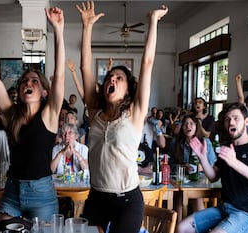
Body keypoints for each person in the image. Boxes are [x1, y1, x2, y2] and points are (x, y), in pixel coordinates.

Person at [76, 1, 168, 232]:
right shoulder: (94, 113)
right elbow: (85, 68)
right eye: (109, 77)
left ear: (128, 89)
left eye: (119, 78)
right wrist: (87, 27)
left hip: (127, 200)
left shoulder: (135, 114)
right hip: (97, 196)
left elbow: (147, 63)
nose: (112, 80)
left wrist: (153, 21)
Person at [0, 5, 65, 222]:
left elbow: (60, 75)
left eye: (35, 81)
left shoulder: (50, 114)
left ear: (44, 92)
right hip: (12, 191)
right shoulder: (12, 115)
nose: (28, 83)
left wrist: (57, 30)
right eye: (25, 81)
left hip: (42, 194)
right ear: (19, 90)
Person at [177, 102, 248, 233]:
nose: (231, 122)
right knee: (182, 228)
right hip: (225, 209)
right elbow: (213, 177)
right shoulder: (227, 149)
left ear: (246, 121)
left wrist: (235, 163)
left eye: (236, 118)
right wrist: (202, 157)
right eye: (228, 119)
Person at [168, 115, 216, 212]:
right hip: (181, 180)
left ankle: (200, 224)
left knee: (196, 196)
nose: (188, 126)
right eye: (185, 124)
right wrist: (182, 167)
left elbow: (213, 164)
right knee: (179, 197)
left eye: (191, 124)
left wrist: (202, 167)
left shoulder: (205, 142)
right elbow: (169, 165)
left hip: (201, 179)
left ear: (196, 126)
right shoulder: (175, 143)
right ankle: (177, 225)